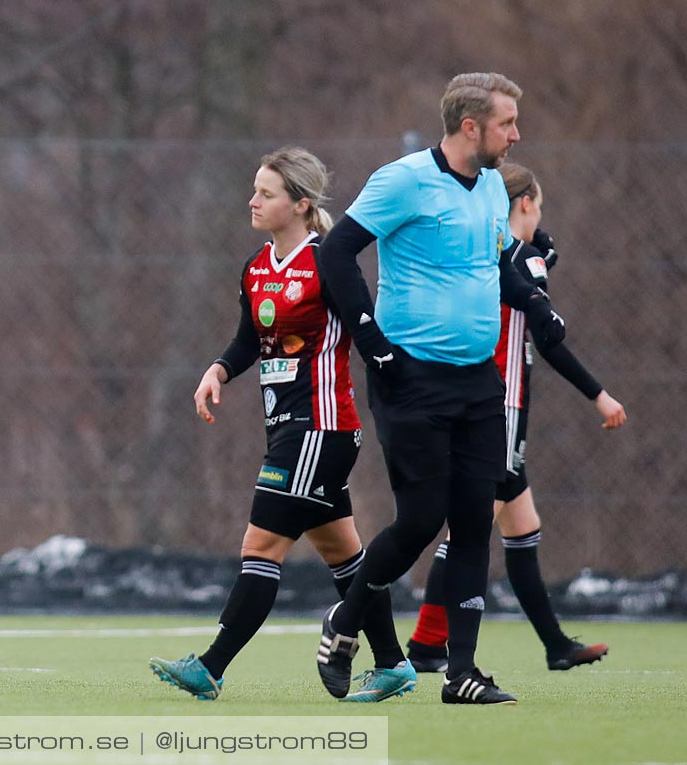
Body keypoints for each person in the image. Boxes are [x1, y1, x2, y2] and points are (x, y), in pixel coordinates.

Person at [314, 73, 568, 706]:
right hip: (411, 377)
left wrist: (536, 306)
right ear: (470, 126)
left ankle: (462, 673)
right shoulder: (404, 180)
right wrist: (371, 341)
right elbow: (337, 253)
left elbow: (500, 265)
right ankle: (344, 622)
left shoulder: (488, 189)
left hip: (478, 382)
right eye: (508, 122)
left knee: (473, 522)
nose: (518, 134)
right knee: (422, 519)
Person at [148, 148, 414, 701]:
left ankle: (212, 666)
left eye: (266, 193)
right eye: (254, 189)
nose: (253, 200)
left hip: (320, 427)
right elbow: (251, 340)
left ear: (300, 203)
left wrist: (403, 393)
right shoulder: (256, 267)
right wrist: (218, 370)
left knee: (262, 545)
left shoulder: (327, 263)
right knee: (344, 554)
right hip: (289, 428)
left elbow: (367, 335)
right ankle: (392, 664)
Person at [403, 163, 627, 674]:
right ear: (525, 204)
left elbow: (532, 259)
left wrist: (541, 249)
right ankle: (425, 644)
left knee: (522, 527)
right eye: (539, 206)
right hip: (499, 408)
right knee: (470, 529)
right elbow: (550, 341)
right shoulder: (521, 261)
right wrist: (600, 395)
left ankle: (554, 645)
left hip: (502, 406)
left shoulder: (501, 253)